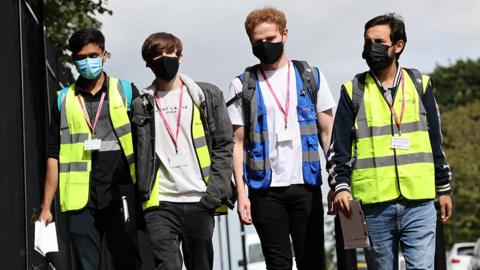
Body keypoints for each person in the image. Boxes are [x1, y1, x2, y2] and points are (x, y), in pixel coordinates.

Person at [327, 13, 453, 270]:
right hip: (374, 206)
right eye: (367, 42)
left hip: (419, 202)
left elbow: (434, 142)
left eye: (379, 41)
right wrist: (340, 186)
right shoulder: (353, 91)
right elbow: (338, 148)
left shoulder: (420, 85)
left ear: (398, 45)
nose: (371, 47)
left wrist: (444, 188)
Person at [227, 7, 335, 270]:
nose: (265, 46)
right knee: (278, 264)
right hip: (265, 191)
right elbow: (237, 143)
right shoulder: (241, 85)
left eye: (271, 40)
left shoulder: (310, 76)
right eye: (258, 42)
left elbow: (327, 132)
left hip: (306, 186)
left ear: (285, 34)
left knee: (312, 261)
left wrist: (336, 182)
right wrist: (242, 194)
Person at [38, 28, 142, 270]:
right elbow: (54, 154)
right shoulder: (63, 100)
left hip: (121, 193)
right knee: (86, 266)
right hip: (80, 200)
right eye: (81, 57)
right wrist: (45, 207)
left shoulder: (126, 92)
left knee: (129, 261)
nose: (88, 62)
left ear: (105, 55)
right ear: (73, 60)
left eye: (93, 55)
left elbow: (143, 143)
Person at [132, 32, 233, 270]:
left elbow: (224, 145)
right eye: (157, 55)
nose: (163, 59)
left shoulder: (207, 96)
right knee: (166, 265)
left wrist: (213, 194)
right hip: (160, 204)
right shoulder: (141, 104)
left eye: (169, 53)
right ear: (148, 63)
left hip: (200, 199)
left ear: (181, 56)